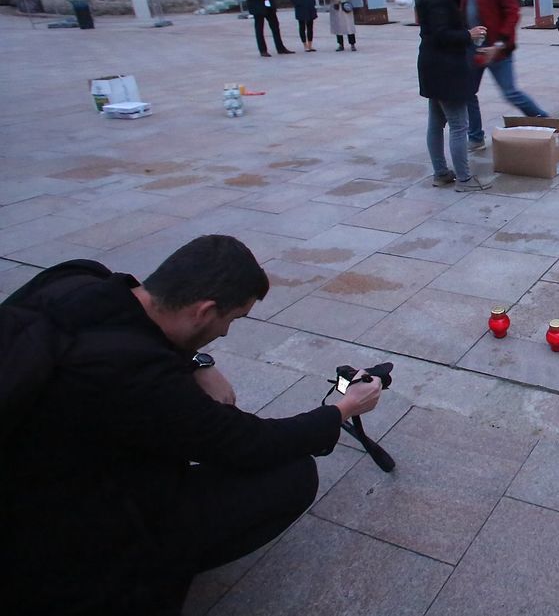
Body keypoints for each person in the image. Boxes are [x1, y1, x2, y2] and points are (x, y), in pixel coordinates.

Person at [0, 235, 382, 614]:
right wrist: (344, 408)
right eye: (232, 319)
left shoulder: (75, 279)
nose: (226, 333)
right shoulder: (138, 377)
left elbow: (129, 298)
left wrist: (199, 362)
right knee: (292, 474)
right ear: (203, 311)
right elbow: (249, 443)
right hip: (53, 541)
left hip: (29, 467)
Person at [455, 0, 548, 152]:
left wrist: (500, 43)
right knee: (467, 92)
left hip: (497, 48)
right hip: (471, 46)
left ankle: (545, 123)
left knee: (510, 92)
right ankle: (476, 137)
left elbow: (512, 10)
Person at [417, 0, 491, 192]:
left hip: (434, 66)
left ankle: (441, 173)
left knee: (437, 122)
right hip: (445, 68)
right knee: (459, 125)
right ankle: (464, 179)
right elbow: (441, 34)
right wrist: (468, 35)